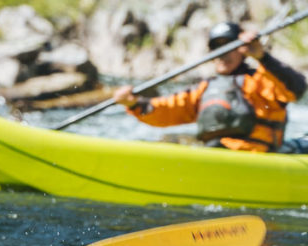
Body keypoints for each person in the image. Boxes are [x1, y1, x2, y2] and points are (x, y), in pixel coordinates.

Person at [113, 21, 307, 153]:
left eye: (228, 46)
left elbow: (296, 89)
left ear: (242, 50)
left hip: (259, 156)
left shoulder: (262, 81)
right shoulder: (204, 89)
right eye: (217, 48)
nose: (222, 54)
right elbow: (168, 109)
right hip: (218, 153)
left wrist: (262, 57)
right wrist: (134, 103)